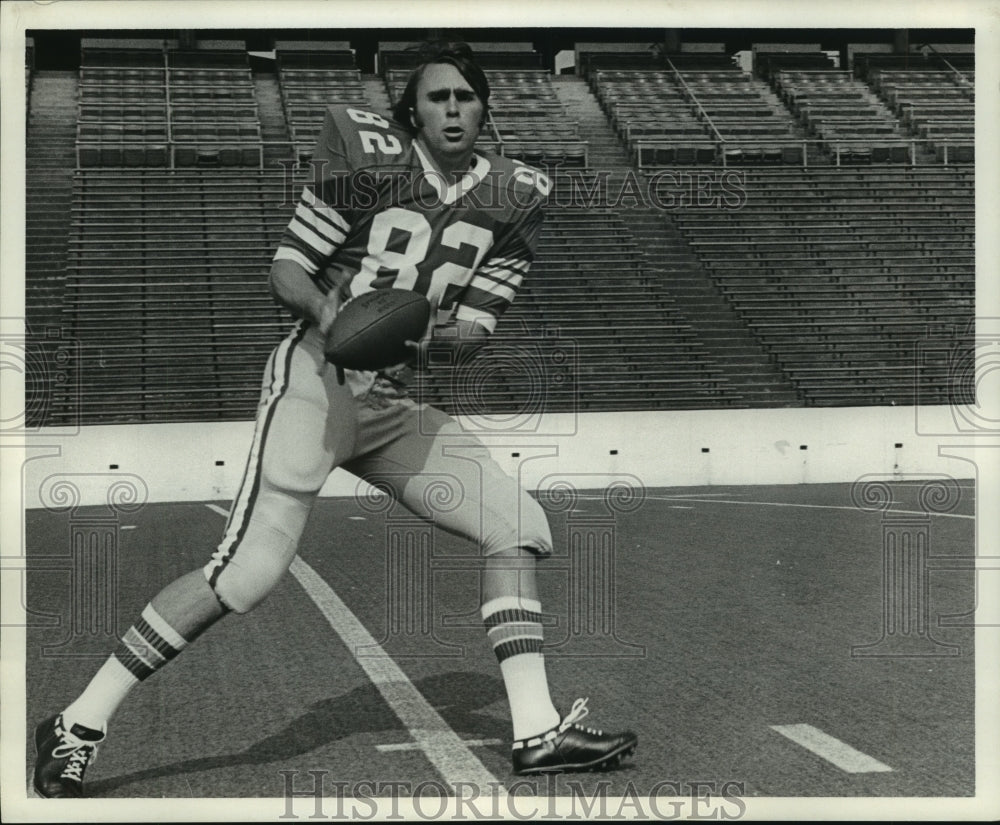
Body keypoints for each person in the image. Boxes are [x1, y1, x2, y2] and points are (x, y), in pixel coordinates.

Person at [32, 41, 637, 798]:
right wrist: (336, 314)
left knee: (516, 523)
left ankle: (536, 730)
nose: (452, 109)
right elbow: (286, 266)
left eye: (465, 97)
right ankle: (78, 722)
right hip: (316, 378)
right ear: (411, 109)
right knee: (245, 575)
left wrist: (428, 340)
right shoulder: (369, 164)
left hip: (391, 398)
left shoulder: (515, 194)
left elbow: (478, 327)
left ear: (484, 108)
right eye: (436, 97)